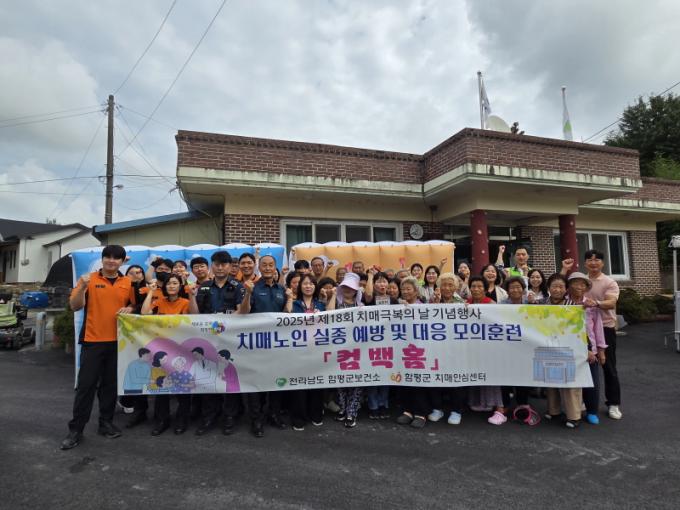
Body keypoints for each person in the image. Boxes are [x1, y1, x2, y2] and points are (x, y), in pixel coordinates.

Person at [60, 245, 136, 450]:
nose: (111, 261)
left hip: (118, 341)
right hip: (92, 340)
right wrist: (82, 288)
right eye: (107, 257)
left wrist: (130, 308)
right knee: (85, 387)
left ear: (122, 261)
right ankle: (76, 429)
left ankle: (106, 423)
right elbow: (75, 306)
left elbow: (133, 304)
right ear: (102, 259)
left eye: (116, 258)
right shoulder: (88, 279)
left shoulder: (127, 282)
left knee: (109, 387)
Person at [188, 251, 245, 437]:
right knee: (208, 377)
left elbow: (242, 312)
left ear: (230, 266)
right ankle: (209, 417)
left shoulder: (238, 286)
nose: (220, 268)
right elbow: (195, 315)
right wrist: (191, 296)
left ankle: (229, 417)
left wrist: (222, 323)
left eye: (224, 264)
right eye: (217, 264)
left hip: (230, 339)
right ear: (212, 266)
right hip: (208, 340)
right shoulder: (203, 287)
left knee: (228, 378)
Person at [240, 255, 292, 437]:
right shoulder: (252, 287)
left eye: (271, 265)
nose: (268, 268)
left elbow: (286, 316)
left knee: (276, 381)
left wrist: (290, 299)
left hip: (277, 344)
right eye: (264, 265)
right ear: (259, 268)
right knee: (256, 383)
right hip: (256, 344)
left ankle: (274, 414)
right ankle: (256, 419)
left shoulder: (281, 289)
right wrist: (248, 293)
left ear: (275, 267)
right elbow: (243, 313)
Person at [141, 275, 191, 436]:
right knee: (162, 387)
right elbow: (144, 313)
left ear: (180, 286)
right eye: (169, 283)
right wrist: (151, 292)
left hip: (181, 350)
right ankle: (162, 420)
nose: (171, 286)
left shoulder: (186, 302)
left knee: (182, 387)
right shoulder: (159, 302)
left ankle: (182, 420)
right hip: (161, 350)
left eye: (175, 283)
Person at [288, 274, 336, 431]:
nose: (308, 286)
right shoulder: (295, 303)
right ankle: (299, 418)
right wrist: (289, 299)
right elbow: (286, 316)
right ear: (300, 286)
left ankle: (316, 414)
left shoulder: (320, 304)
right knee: (299, 385)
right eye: (305, 284)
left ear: (315, 287)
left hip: (317, 350)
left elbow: (331, 314)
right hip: (298, 350)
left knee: (316, 383)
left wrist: (332, 295)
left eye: (311, 284)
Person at [581, 250, 622, 421]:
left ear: (602, 263)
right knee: (584, 365)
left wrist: (596, 303)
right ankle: (585, 401)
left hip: (605, 328)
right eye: (590, 260)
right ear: (585, 263)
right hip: (583, 328)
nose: (593, 263)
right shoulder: (581, 281)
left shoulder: (609, 282)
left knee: (608, 366)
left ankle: (613, 403)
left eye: (597, 260)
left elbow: (611, 303)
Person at [566, 271, 607, 425]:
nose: (579, 286)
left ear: (586, 287)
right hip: (569, 349)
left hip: (591, 350)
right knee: (572, 384)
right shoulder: (563, 304)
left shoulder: (591, 305)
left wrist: (601, 350)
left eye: (582, 284)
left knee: (593, 382)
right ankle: (573, 411)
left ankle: (592, 411)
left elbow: (598, 329)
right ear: (569, 286)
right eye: (575, 283)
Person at [543, 273, 583, 428]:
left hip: (569, 347)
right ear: (548, 288)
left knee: (570, 381)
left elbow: (580, 328)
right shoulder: (541, 304)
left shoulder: (573, 305)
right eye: (554, 286)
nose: (557, 290)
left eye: (561, 287)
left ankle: (574, 416)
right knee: (551, 378)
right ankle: (553, 411)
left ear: (566, 289)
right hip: (548, 345)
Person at [465, 276, 506, 425]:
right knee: (475, 373)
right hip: (471, 346)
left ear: (485, 289)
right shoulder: (466, 303)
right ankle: (479, 402)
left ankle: (499, 409)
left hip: (489, 346)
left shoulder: (491, 304)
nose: (476, 289)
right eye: (473, 286)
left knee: (491, 375)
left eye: (479, 286)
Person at [428, 273, 466, 425]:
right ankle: (437, 408)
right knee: (436, 377)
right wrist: (435, 305)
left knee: (456, 378)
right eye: (444, 285)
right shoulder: (432, 301)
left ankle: (456, 410)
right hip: (437, 347)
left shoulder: (462, 303)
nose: (447, 288)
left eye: (450, 285)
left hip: (456, 348)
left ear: (456, 287)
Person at [395, 276, 430, 429]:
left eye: (408, 289)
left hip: (419, 350)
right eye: (403, 289)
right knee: (405, 380)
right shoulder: (397, 307)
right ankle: (408, 410)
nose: (405, 292)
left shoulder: (423, 307)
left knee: (419, 382)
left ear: (416, 291)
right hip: (403, 349)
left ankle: (421, 413)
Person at [362, 270, 397, 419]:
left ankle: (383, 404)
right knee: (373, 375)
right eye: (379, 281)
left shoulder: (394, 301)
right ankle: (373, 406)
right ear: (374, 284)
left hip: (388, 343)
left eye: (384, 281)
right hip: (371, 343)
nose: (382, 284)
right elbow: (368, 294)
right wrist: (370, 276)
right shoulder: (369, 299)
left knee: (385, 375)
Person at [333, 272, 364, 428]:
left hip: (357, 349)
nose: (348, 290)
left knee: (356, 381)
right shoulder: (336, 304)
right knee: (340, 380)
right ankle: (342, 408)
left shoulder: (361, 307)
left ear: (356, 290)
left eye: (351, 287)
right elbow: (328, 314)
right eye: (345, 286)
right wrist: (333, 295)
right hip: (339, 348)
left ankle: (352, 412)